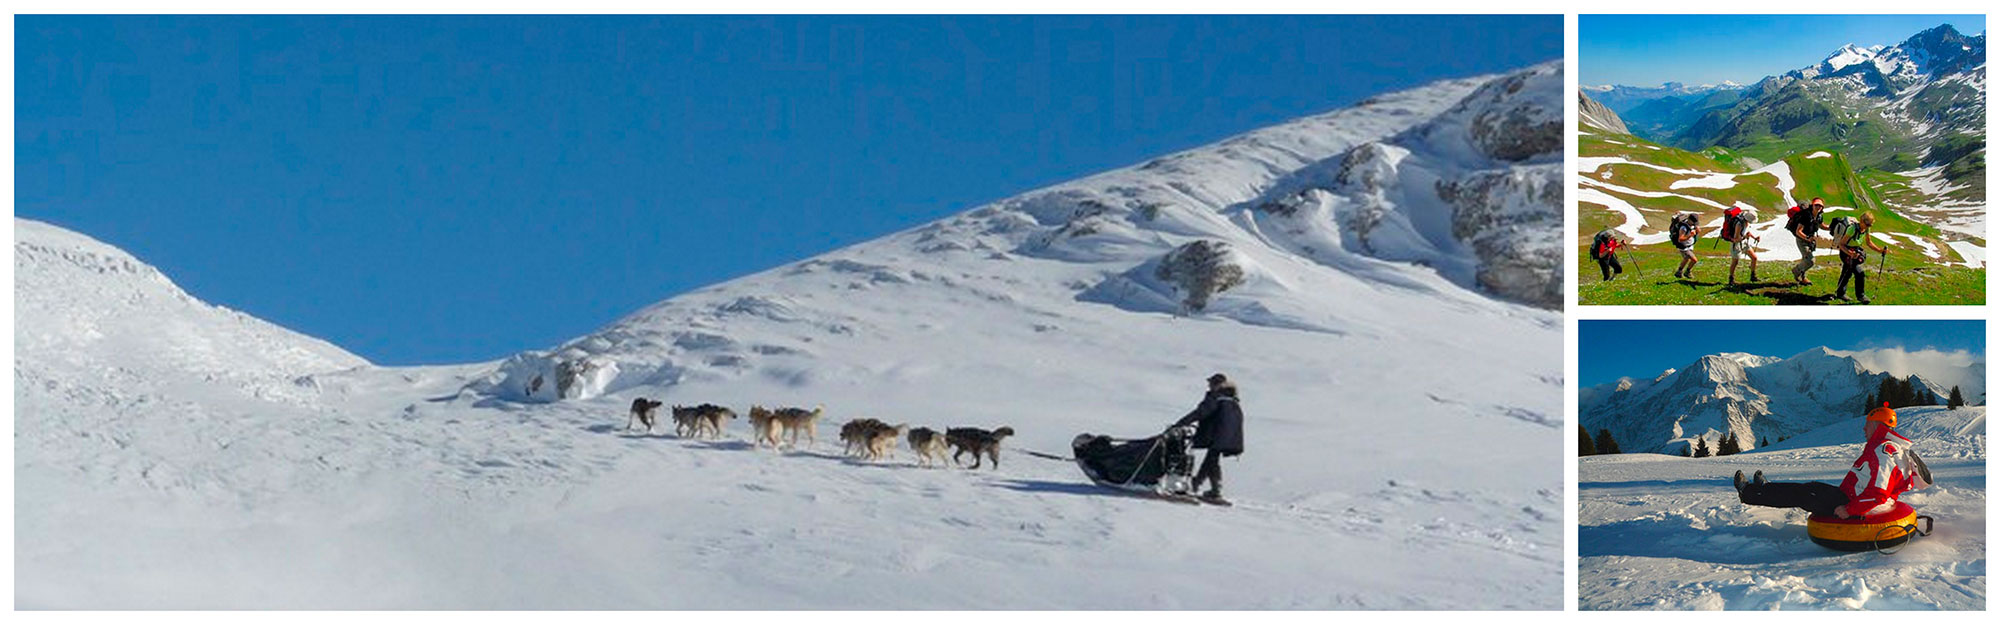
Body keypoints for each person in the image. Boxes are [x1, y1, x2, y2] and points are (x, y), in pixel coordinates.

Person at [1732, 404, 1931, 518]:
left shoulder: (1882, 450)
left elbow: (1878, 493)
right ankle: (1766, 488)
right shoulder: (1893, 448)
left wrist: (1849, 509)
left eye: (1867, 425)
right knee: (1809, 488)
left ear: (1878, 426)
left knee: (1802, 495)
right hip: (1853, 496)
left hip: (1856, 503)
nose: (1864, 430)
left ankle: (1748, 493)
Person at [1175, 373, 1244, 501]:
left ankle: (1203, 487)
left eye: (1211, 383)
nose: (1209, 386)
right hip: (1230, 436)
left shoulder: (1216, 397)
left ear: (1217, 385)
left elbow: (1201, 412)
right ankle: (1208, 487)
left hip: (1218, 434)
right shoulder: (1232, 399)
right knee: (1212, 459)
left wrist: (1180, 424)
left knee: (1212, 460)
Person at [1833, 213, 1889, 304]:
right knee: (1859, 273)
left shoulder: (1866, 229)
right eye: (1867, 224)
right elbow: (1841, 244)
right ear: (1862, 221)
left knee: (1847, 272)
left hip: (1855, 251)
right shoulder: (1852, 229)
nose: (1868, 227)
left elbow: (1869, 242)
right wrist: (1849, 253)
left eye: (1870, 225)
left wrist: (1880, 250)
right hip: (1846, 252)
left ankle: (1840, 293)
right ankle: (1860, 296)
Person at [1712, 206, 1760, 285]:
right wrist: (1745, 237)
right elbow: (1735, 239)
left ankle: (1753, 276)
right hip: (1736, 244)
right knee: (1735, 262)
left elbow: (1746, 232)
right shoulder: (1739, 224)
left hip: (1744, 243)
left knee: (1754, 258)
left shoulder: (1745, 222)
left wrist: (1754, 237)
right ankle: (1731, 279)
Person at [1787, 198, 1829, 284]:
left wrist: (1831, 228)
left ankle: (1803, 278)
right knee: (1810, 261)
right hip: (1802, 240)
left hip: (1809, 240)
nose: (1818, 207)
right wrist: (1807, 238)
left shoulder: (1819, 216)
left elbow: (1821, 225)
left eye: (1820, 205)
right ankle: (1796, 271)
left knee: (1805, 259)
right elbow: (1798, 231)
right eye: (1816, 205)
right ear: (1812, 205)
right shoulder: (1806, 215)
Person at [1670, 213, 1701, 279]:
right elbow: (1680, 239)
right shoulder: (1683, 228)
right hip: (1684, 247)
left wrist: (1697, 230)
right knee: (1694, 260)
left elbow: (1697, 230)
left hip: (1689, 245)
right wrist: (1690, 235)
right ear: (1689, 220)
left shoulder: (1692, 225)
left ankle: (1679, 272)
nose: (1694, 224)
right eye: (1693, 222)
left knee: (1686, 259)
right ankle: (1688, 272)